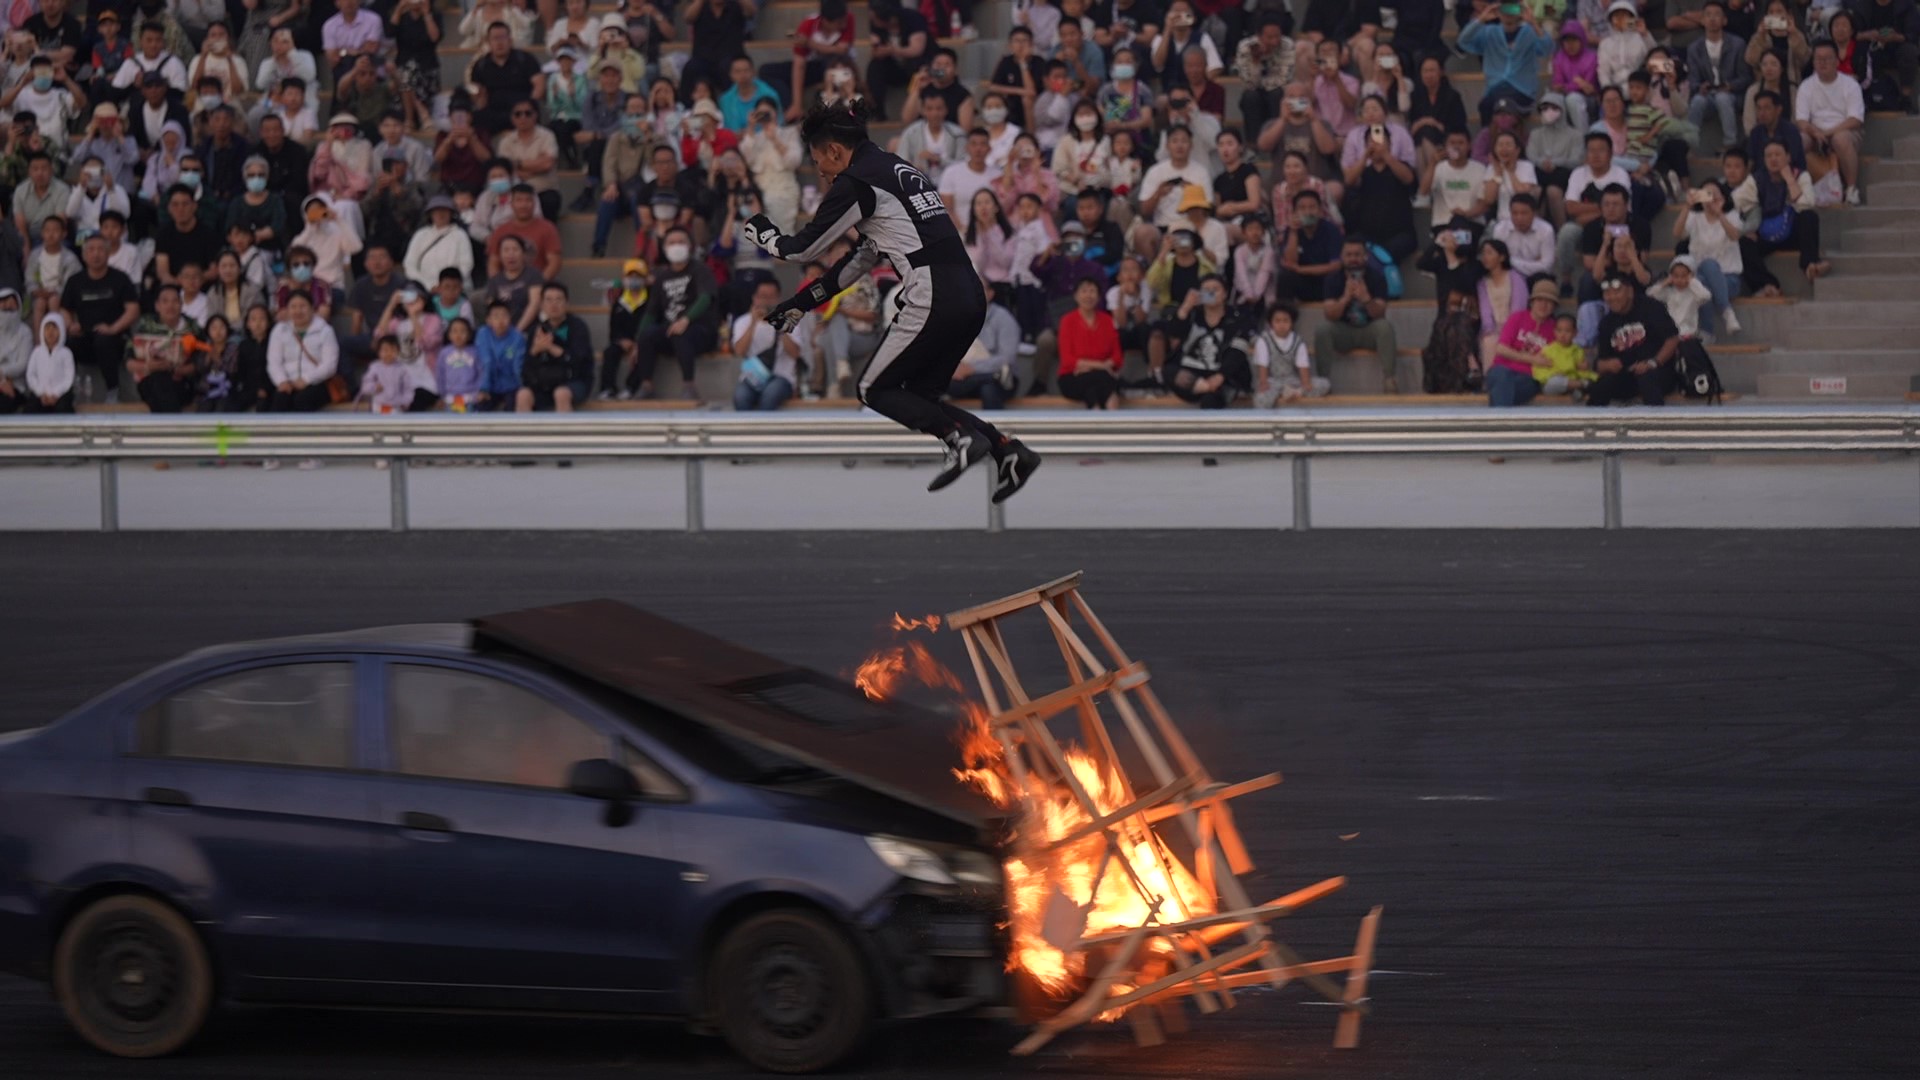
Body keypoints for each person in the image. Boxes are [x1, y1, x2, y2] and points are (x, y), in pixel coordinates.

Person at [745, 97, 1042, 502]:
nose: (821, 173)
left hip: (933, 293)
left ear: (835, 150)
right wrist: (802, 304)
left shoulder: (855, 181)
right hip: (969, 295)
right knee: (916, 398)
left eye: (819, 162)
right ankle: (1007, 451)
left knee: (872, 389)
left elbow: (801, 250)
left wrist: (764, 234)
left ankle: (957, 438)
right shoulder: (896, 169)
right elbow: (860, 258)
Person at [628, 227, 718, 399]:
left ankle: (689, 386)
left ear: (690, 246)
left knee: (680, 333)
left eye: (681, 242)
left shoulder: (700, 270)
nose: (676, 246)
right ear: (664, 248)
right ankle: (646, 385)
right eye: (672, 242)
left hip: (701, 330)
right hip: (672, 330)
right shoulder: (662, 277)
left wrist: (686, 319)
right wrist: (637, 342)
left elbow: (705, 297)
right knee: (648, 336)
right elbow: (651, 313)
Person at [56, 234, 139, 402]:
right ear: (84, 255)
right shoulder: (75, 281)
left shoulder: (120, 279)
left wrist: (113, 328)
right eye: (91, 250)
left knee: (103, 340)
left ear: (108, 254)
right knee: (68, 343)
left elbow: (133, 309)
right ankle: (66, 391)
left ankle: (113, 390)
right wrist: (70, 324)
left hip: (115, 339)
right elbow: (64, 309)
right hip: (85, 337)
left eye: (101, 249)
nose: (96, 254)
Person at [1315, 237, 1401, 392]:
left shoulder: (1377, 277)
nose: (1353, 259)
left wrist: (1366, 299)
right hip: (1343, 331)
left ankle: (1389, 380)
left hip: (1369, 330)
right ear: (1342, 257)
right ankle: (1323, 382)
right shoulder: (1333, 279)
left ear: (1365, 256)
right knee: (1322, 330)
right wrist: (1345, 298)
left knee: (1385, 327)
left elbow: (1380, 314)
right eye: (1348, 255)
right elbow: (1330, 315)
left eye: (1357, 254)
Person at [1164, 273, 1253, 409]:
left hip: (1223, 376)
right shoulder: (1193, 314)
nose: (1210, 293)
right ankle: (1205, 387)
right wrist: (1185, 308)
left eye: (1215, 289)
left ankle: (1211, 390)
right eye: (1206, 290)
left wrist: (1221, 376)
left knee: (1210, 400)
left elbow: (1238, 351)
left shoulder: (1237, 318)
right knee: (1168, 371)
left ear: (1224, 294)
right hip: (1192, 378)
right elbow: (1173, 332)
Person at [1589, 275, 1679, 406]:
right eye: (1607, 293)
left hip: (1657, 370)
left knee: (1647, 379)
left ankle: (1656, 418)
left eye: (1617, 292)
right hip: (1627, 375)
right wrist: (1607, 365)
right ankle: (1591, 418)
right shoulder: (1606, 322)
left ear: (1630, 292)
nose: (1612, 297)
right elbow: (1601, 361)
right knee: (1602, 384)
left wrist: (1653, 363)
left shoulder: (1651, 307)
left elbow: (1672, 338)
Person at [1459, 1, 1553, 125]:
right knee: (1486, 105)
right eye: (1504, 8)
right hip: (1494, 90)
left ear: (1519, 11)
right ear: (1498, 11)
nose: (1508, 13)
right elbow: (1463, 41)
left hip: (1522, 91)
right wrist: (1480, 19)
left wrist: (1534, 23)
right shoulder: (1489, 32)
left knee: (1503, 105)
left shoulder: (1529, 33)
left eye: (1512, 8)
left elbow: (1547, 48)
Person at [1795, 42, 1866, 206]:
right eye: (1818, 59)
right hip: (1815, 133)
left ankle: (1851, 188)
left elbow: (1855, 119)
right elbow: (1801, 121)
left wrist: (1828, 133)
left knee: (1840, 139)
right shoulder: (1806, 86)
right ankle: (1796, 189)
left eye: (1827, 58)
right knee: (1798, 140)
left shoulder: (1850, 84)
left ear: (1836, 61)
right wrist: (1815, 132)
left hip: (1845, 131)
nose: (1823, 62)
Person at [517, 283, 593, 412]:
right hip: (543, 382)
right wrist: (535, 351)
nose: (554, 305)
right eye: (549, 300)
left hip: (573, 381)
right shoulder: (536, 329)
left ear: (567, 303)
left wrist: (551, 348)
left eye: (558, 300)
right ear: (542, 305)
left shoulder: (578, 327)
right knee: (523, 395)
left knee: (561, 394)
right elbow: (526, 368)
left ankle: (565, 426)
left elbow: (579, 362)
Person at [726, 278, 800, 410]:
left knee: (770, 395)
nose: (766, 301)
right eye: (762, 296)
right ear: (754, 298)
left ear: (778, 298)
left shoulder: (790, 320)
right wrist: (753, 323)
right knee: (740, 396)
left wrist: (781, 326)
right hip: (753, 377)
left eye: (771, 297)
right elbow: (739, 351)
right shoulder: (743, 321)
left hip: (782, 377)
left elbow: (795, 353)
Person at [1487, 277, 1561, 406]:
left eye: (1549, 302)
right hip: (1502, 369)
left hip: (1529, 377)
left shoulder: (1555, 329)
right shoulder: (1517, 317)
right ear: (1532, 302)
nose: (1543, 305)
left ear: (1554, 307)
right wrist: (1532, 359)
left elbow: (1550, 361)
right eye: (1539, 300)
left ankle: (1498, 417)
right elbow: (1501, 349)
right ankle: (1502, 416)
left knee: (1505, 390)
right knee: (1503, 379)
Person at [266, 290, 339, 412]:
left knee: (302, 400)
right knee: (280, 399)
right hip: (288, 382)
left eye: (303, 306)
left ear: (312, 308)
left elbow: (330, 365)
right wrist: (282, 381)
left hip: (317, 382)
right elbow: (274, 362)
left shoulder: (325, 330)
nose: (298, 311)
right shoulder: (280, 330)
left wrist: (306, 379)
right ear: (287, 310)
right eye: (293, 307)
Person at [1251, 302, 1330, 406]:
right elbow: (1262, 367)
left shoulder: (1298, 341)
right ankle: (1283, 392)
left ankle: (1295, 392)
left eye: (1285, 321)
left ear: (1292, 323)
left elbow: (1303, 368)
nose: (1281, 325)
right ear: (1271, 323)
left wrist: (1306, 385)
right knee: (1261, 399)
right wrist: (1264, 384)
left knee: (1324, 384)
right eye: (1277, 321)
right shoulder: (1264, 340)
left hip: (1293, 381)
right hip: (1273, 382)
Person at [475, 298, 527, 409]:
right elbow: (485, 362)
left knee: (512, 405)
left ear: (510, 318)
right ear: (488, 320)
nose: (501, 320)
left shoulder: (517, 337)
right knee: (481, 406)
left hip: (511, 384)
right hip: (489, 383)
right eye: (496, 316)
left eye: (504, 316)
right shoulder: (483, 334)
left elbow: (518, 366)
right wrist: (483, 388)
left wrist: (522, 386)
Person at [22, 311, 75, 413]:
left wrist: (56, 394)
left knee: (63, 408)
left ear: (61, 330)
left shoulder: (66, 353)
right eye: (47, 328)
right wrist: (41, 393)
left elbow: (68, 378)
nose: (50, 332)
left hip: (60, 394)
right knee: (30, 409)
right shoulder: (37, 352)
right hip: (40, 394)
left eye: (54, 328)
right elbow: (31, 375)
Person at [0, 288, 31, 414]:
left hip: (17, 386)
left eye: (11, 304)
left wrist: (2, 372)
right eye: (3, 304)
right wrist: (2, 382)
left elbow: (22, 365)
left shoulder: (25, 332)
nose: (7, 307)